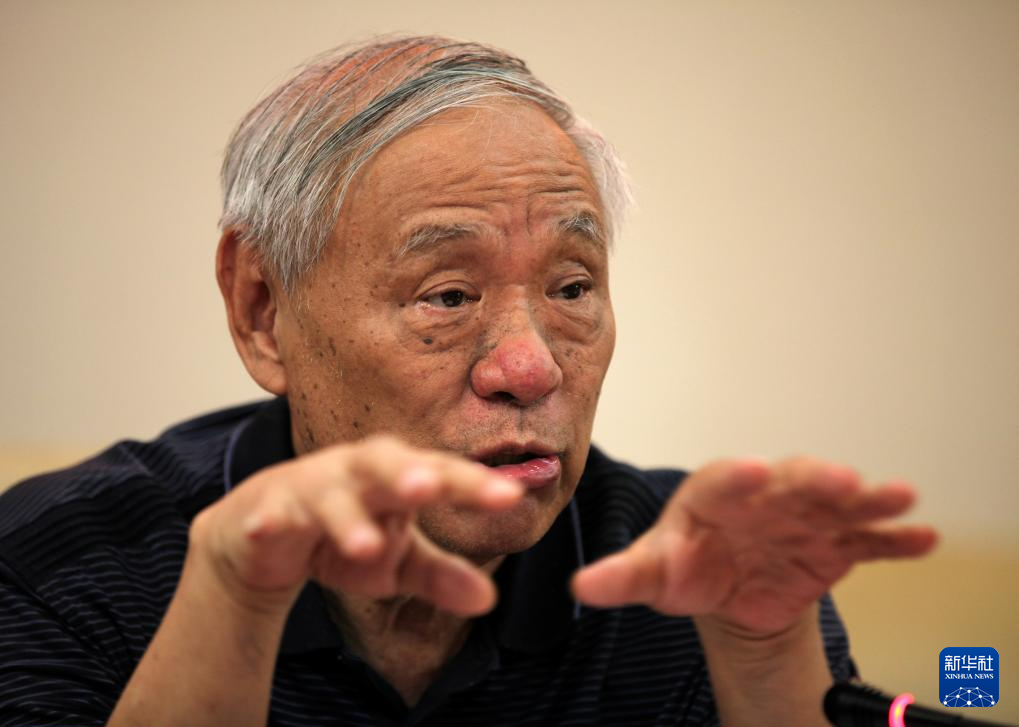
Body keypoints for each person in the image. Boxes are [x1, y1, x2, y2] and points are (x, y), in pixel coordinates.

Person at [0, 35, 936, 726]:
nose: (530, 367)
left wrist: (765, 665)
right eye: (447, 296)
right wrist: (233, 607)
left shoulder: (692, 582)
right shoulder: (59, 566)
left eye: (572, 287)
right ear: (260, 309)